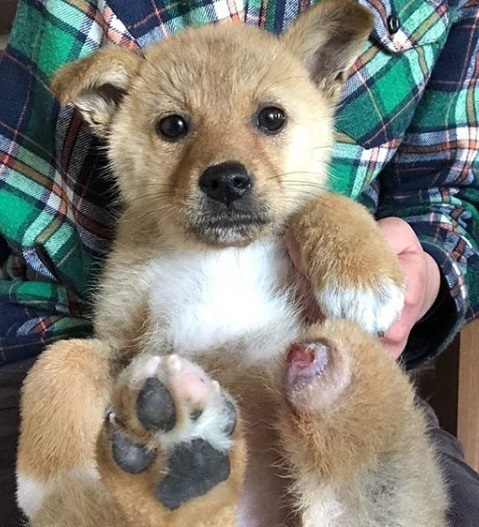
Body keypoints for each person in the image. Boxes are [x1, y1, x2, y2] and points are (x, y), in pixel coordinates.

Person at [0, 0, 478, 525]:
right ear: (110, 110)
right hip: (135, 415)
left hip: (322, 446)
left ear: (322, 79)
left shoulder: (315, 221)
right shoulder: (135, 255)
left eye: (270, 119)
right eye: (174, 127)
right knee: (71, 367)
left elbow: (447, 195)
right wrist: (62, 402)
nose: (224, 164)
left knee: (364, 401)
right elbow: (101, 344)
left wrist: (377, 250)